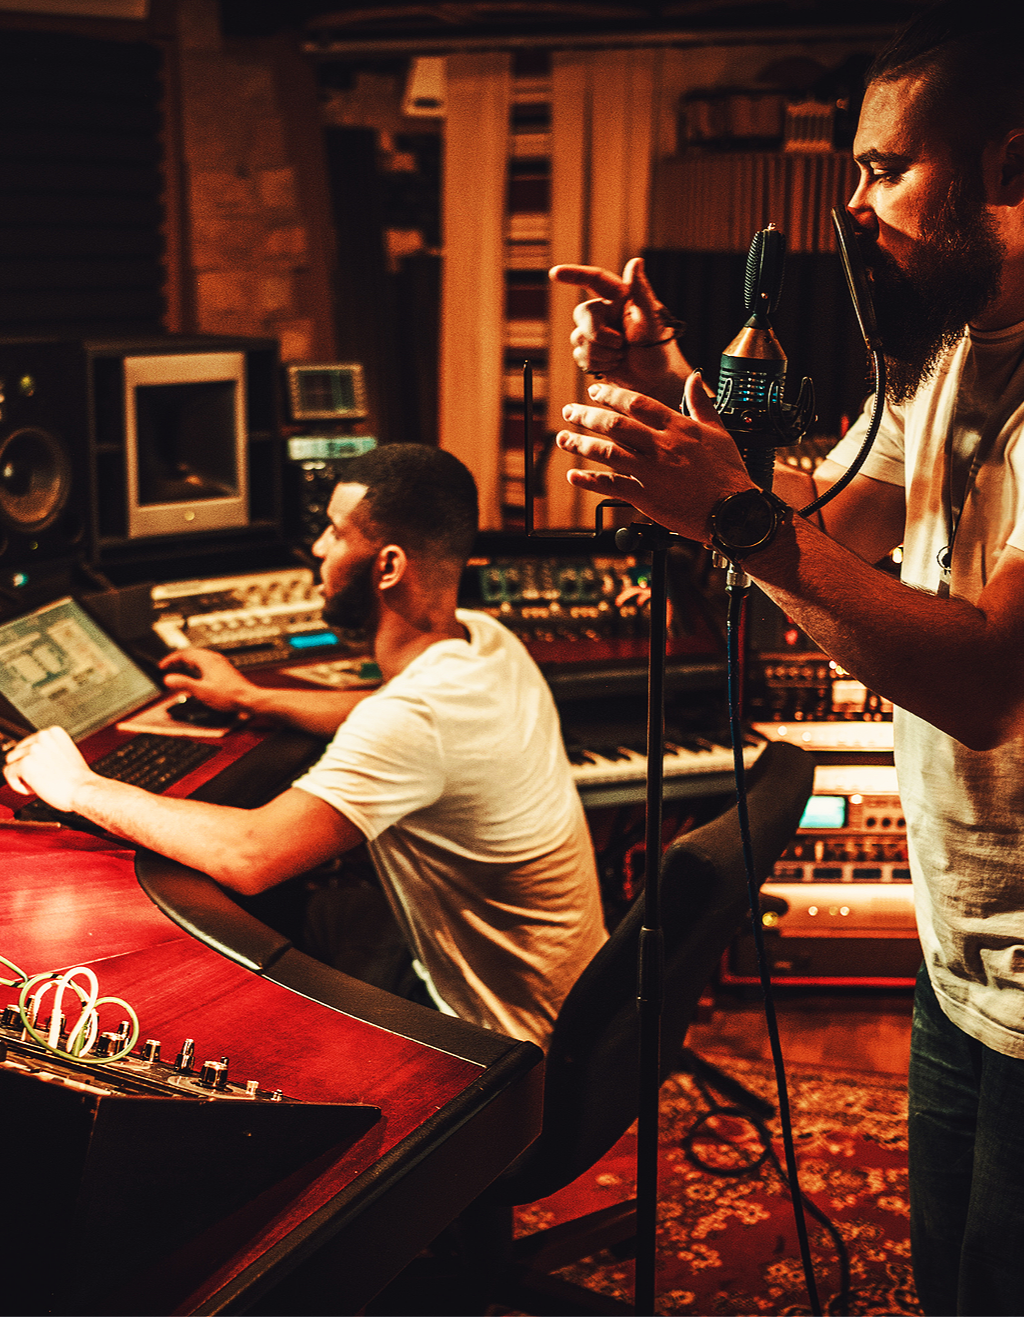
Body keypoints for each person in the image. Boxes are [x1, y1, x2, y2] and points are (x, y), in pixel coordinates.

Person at [549, 4, 1024, 1312]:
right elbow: (838, 512)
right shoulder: (943, 352)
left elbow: (988, 684)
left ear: (1006, 168)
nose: (854, 206)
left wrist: (735, 518)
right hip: (960, 953)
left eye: (886, 169)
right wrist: (673, 390)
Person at [3, 444, 606, 1051]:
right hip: (575, 1007)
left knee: (237, 945)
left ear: (388, 566)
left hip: (510, 1042)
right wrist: (251, 698)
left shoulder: (416, 718)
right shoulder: (488, 643)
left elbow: (251, 856)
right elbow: (385, 718)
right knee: (291, 916)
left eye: (336, 533)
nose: (318, 549)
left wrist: (79, 785)